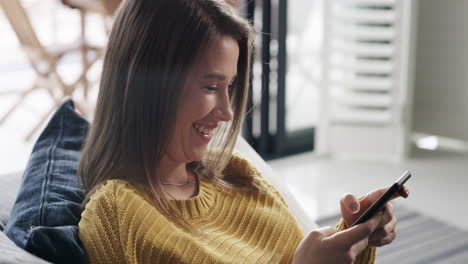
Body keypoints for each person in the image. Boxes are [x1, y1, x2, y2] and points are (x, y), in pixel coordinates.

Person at [77, 0, 409, 263]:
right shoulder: (118, 215)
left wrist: (352, 236)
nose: (227, 112)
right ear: (147, 86)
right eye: (210, 86)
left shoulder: (236, 170)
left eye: (230, 86)